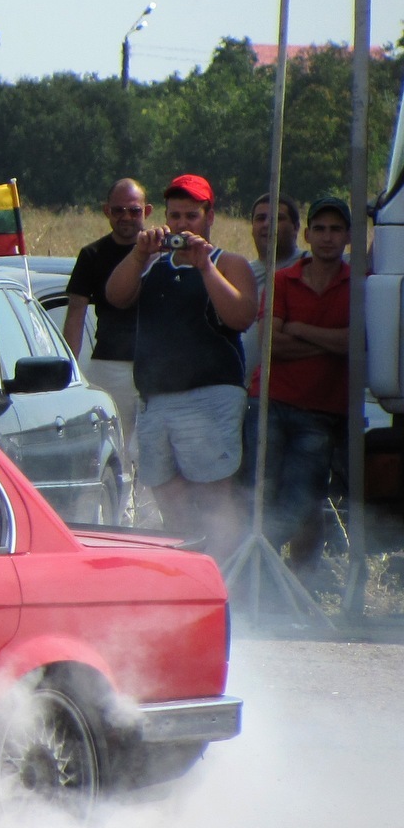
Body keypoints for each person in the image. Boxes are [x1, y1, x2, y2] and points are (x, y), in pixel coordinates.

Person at [104, 174, 258, 552]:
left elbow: (241, 316)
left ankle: (225, 575)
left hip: (209, 396)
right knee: (168, 497)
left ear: (209, 216)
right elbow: (115, 296)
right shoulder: (152, 262)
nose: (182, 226)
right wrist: (140, 253)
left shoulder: (228, 262)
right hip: (156, 398)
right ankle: (190, 568)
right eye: (175, 216)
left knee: (213, 497)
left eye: (192, 216)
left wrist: (205, 268)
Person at [246, 196, 352, 576]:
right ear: (306, 234)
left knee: (300, 500)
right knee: (257, 494)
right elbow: (269, 345)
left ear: (349, 236)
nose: (327, 237)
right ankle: (261, 582)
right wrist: (330, 342)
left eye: (336, 229)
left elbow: (352, 344)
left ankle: (285, 581)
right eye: (320, 229)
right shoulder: (281, 280)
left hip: (321, 413)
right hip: (269, 402)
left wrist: (299, 329)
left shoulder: (357, 285)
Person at [63, 178, 150, 447]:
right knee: (113, 444)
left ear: (146, 211)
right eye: (118, 210)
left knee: (153, 447)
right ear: (106, 211)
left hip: (158, 366)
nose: (126, 217)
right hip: (110, 364)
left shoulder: (165, 252)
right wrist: (69, 371)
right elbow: (76, 314)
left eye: (134, 211)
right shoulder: (92, 255)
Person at [243, 192, 303, 387]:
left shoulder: (314, 265)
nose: (267, 224)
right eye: (260, 218)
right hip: (245, 390)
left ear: (296, 228)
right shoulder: (241, 273)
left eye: (278, 218)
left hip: (294, 390)